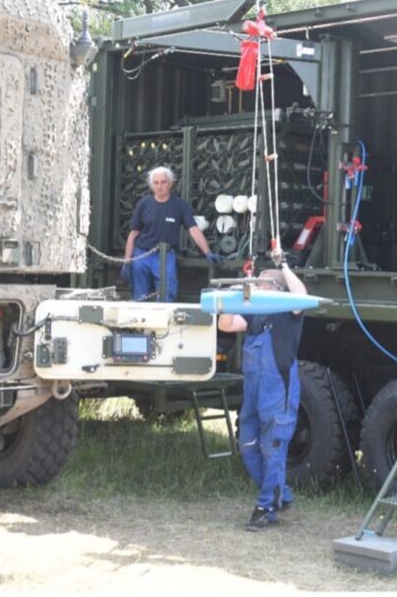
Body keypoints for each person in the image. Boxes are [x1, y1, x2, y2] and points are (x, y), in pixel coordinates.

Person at [217, 258, 306, 531]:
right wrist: (232, 296)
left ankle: (266, 507)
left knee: (273, 449)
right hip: (253, 395)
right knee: (247, 447)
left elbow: (301, 295)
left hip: (277, 393)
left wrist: (284, 266)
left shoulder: (290, 311)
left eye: (262, 282)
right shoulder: (255, 314)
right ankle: (282, 494)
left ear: (276, 288)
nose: (256, 285)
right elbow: (226, 325)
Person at [122, 166, 219, 301]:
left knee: (167, 292)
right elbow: (133, 234)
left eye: (163, 182)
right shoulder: (143, 204)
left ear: (170, 183)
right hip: (142, 254)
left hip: (165, 254)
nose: (160, 186)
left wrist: (207, 252)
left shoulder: (179, 205)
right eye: (156, 183)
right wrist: (127, 261)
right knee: (139, 295)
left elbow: (194, 230)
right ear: (151, 185)